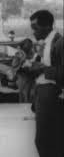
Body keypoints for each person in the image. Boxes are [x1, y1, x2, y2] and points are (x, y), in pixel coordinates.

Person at [29, 10, 64, 157]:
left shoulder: (59, 42)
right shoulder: (43, 43)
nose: (33, 32)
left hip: (52, 97)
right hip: (42, 94)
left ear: (48, 26)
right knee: (44, 141)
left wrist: (42, 68)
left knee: (47, 141)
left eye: (35, 28)